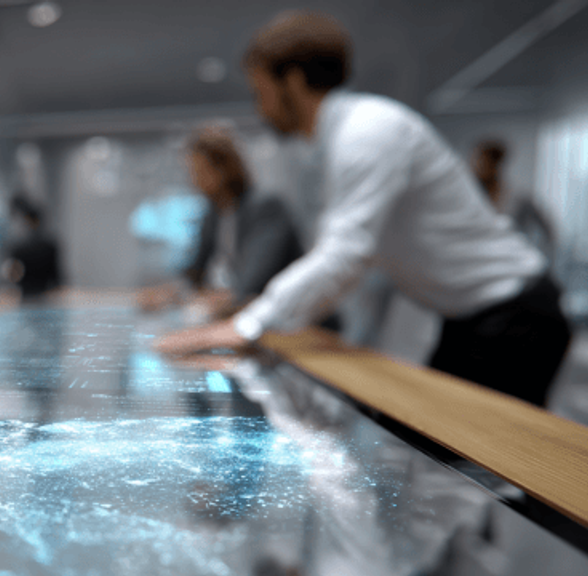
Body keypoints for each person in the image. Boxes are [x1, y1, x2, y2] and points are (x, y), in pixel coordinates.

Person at [157, 11, 570, 407]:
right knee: (433, 442)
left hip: (515, 314)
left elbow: (344, 255)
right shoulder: (343, 140)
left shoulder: (366, 133)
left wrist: (246, 325)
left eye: (261, 91)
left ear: (293, 81)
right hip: (476, 315)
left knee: (471, 451)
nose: (260, 107)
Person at [139, 126, 303, 319]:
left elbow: (252, 283)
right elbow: (195, 271)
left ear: (225, 169)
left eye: (200, 171)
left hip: (295, 319)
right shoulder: (215, 213)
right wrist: (169, 294)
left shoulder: (266, 207)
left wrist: (218, 299)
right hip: (259, 316)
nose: (194, 180)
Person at [472, 138, 557, 263]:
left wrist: (538, 258)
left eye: (482, 162)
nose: (476, 167)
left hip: (511, 262)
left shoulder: (518, 197)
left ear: (495, 164)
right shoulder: (471, 198)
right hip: (479, 262)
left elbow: (548, 229)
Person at [3, 195, 61, 300]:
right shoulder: (49, 246)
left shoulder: (20, 249)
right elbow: (57, 279)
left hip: (30, 297)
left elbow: (12, 277)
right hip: (44, 297)